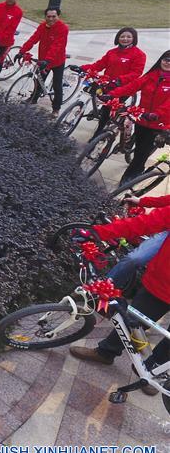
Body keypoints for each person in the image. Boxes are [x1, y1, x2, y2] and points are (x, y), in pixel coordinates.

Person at [70, 206, 170, 397]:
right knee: (131, 320)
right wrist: (97, 233)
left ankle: (153, 371)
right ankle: (106, 352)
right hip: (161, 282)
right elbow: (143, 223)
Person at [104, 50, 170, 183]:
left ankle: (131, 175)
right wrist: (113, 94)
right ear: (161, 60)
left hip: (159, 122)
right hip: (142, 118)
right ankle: (134, 146)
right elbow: (132, 86)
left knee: (141, 153)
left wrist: (157, 114)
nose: (168, 62)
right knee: (139, 142)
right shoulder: (151, 75)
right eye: (166, 59)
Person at [79, 27, 147, 136]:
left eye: (129, 37)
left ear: (134, 39)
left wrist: (119, 80)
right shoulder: (112, 52)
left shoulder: (139, 55)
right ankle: (99, 111)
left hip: (123, 88)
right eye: (122, 36)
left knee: (107, 110)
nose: (125, 39)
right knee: (95, 93)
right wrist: (83, 68)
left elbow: (136, 73)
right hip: (108, 84)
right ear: (118, 38)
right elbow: (99, 64)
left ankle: (98, 134)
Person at [18, 7, 70, 115]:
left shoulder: (63, 28)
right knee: (39, 80)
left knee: (57, 85)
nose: (51, 19)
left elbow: (57, 46)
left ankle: (56, 109)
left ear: (58, 16)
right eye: (48, 16)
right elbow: (33, 39)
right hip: (44, 60)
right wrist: (22, 51)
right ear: (45, 16)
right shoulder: (42, 26)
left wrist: (48, 60)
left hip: (57, 61)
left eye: (53, 16)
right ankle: (33, 99)